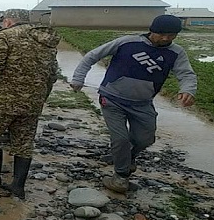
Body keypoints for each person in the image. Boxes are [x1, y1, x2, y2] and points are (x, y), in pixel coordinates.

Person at [70, 14, 196, 194]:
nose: (166, 38)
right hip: (112, 99)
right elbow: (92, 56)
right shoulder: (127, 42)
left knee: (145, 139)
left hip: (143, 103)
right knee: (120, 138)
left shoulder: (176, 52)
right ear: (152, 30)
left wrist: (188, 90)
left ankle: (126, 157)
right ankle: (120, 177)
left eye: (172, 35)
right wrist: (78, 78)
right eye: (162, 34)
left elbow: (187, 74)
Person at [0, 9, 59, 200]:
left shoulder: (4, 37)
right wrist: (42, 96)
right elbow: (52, 74)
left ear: (8, 21)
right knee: (24, 142)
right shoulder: (46, 40)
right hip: (32, 102)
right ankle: (18, 185)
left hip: (2, 101)